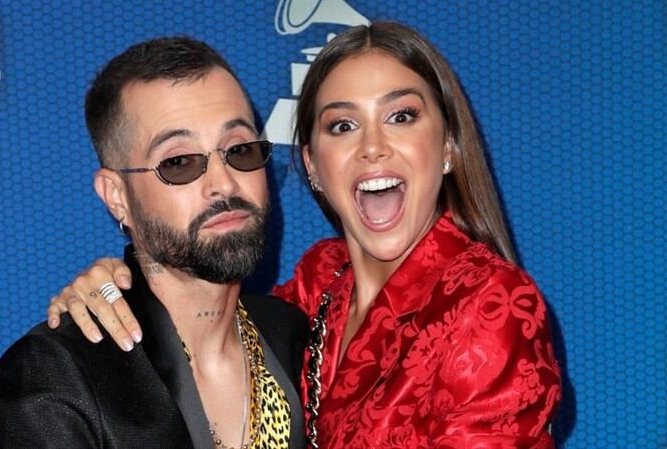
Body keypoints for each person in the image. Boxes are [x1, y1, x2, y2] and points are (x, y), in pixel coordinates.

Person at [48, 22, 562, 448]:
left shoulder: (492, 305)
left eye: (401, 116)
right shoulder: (318, 283)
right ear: (312, 165)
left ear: (448, 145)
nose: (373, 147)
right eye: (342, 126)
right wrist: (116, 283)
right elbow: (207, 320)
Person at [0, 36, 308, 449]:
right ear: (117, 197)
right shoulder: (58, 381)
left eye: (238, 149)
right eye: (180, 162)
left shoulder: (294, 338)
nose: (223, 183)